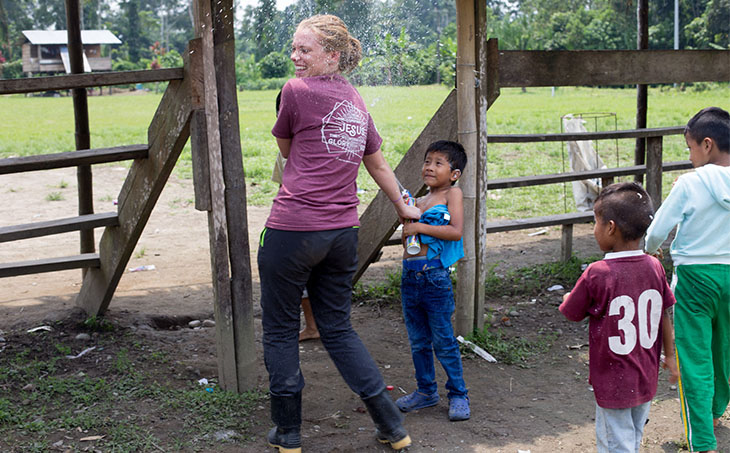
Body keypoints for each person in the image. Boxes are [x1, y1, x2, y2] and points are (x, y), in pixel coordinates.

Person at [258, 14, 420, 453]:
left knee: (277, 329)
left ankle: (288, 432)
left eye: (304, 50)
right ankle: (392, 424)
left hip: (293, 231)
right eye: (294, 48)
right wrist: (404, 204)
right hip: (342, 234)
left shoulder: (294, 92)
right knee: (338, 329)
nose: (295, 57)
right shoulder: (354, 99)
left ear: (332, 55)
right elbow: (379, 164)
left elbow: (288, 152)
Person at [560, 182, 678, 453]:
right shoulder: (654, 266)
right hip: (645, 374)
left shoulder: (597, 272)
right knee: (632, 438)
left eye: (595, 222)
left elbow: (572, 313)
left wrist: (568, 298)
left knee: (616, 445)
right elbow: (663, 315)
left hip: (613, 380)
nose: (594, 229)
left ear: (610, 227)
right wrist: (670, 356)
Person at [645, 106, 730, 453]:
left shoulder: (690, 183)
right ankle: (714, 411)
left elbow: (656, 231)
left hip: (696, 278)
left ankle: (703, 441)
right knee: (723, 348)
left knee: (694, 357)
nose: (690, 156)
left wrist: (651, 251)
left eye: (690, 148)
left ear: (706, 145)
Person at [396, 140, 470, 422]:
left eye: (439, 163)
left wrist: (417, 225)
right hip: (409, 277)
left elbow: (456, 231)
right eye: (427, 161)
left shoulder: (453, 194)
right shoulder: (416, 201)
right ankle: (426, 391)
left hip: (434, 277)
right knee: (418, 341)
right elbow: (408, 235)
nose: (429, 166)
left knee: (443, 340)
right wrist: (405, 215)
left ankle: (458, 393)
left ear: (454, 173)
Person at [272, 92, 319, 342]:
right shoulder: (287, 153)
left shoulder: (301, 151)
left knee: (302, 279)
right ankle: (314, 326)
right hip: (310, 223)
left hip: (306, 225)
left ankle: (314, 326)